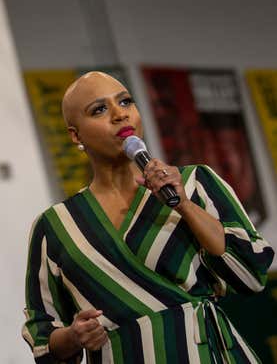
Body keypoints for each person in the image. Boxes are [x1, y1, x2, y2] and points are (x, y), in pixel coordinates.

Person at [21, 71, 274, 363]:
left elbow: (251, 275)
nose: (119, 115)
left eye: (126, 102)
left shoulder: (195, 183)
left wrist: (185, 206)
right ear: (75, 134)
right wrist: (74, 336)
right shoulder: (55, 226)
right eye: (99, 109)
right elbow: (42, 334)